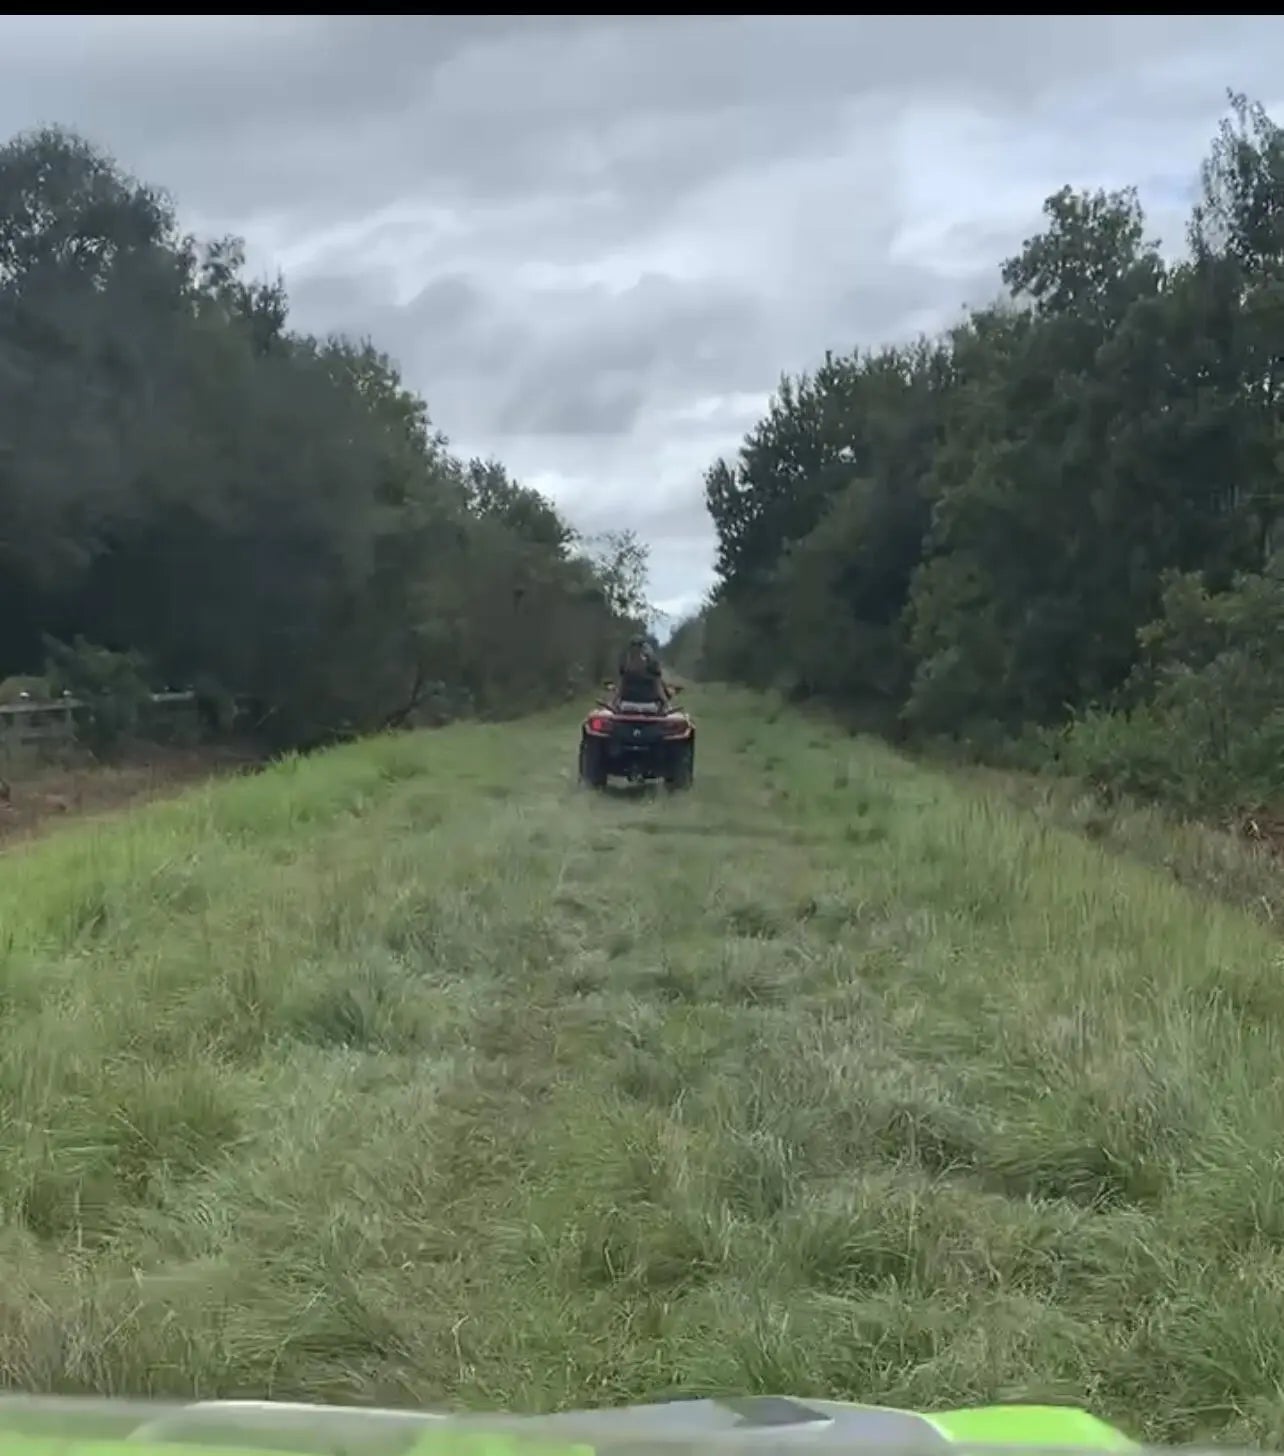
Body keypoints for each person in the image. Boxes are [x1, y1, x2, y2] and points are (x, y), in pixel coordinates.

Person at [614, 633, 669, 709]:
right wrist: (666, 704)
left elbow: (620, 689)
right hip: (649, 706)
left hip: (627, 705)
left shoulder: (626, 665)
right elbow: (658, 690)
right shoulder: (653, 665)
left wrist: (613, 703)